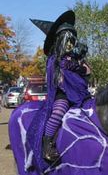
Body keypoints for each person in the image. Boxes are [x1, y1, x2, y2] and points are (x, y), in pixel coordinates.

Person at [28, 11, 91, 165]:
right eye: (68, 40)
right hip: (62, 94)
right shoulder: (55, 59)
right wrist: (75, 66)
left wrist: (81, 60)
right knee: (58, 112)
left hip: (81, 94)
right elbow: (60, 76)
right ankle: (47, 145)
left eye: (73, 40)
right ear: (61, 40)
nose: (71, 44)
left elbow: (88, 72)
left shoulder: (75, 58)